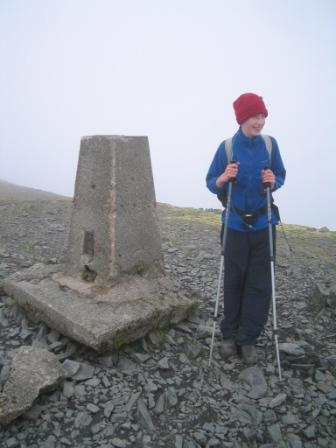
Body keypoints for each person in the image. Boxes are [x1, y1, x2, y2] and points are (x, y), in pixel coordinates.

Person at [206, 92, 286, 364]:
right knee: (234, 281)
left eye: (263, 116)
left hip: (264, 226)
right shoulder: (227, 148)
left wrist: (273, 179)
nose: (260, 121)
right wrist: (224, 177)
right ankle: (229, 334)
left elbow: (281, 176)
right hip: (235, 226)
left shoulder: (270, 145)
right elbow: (210, 181)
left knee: (259, 284)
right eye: (254, 116)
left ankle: (248, 339)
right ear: (242, 118)